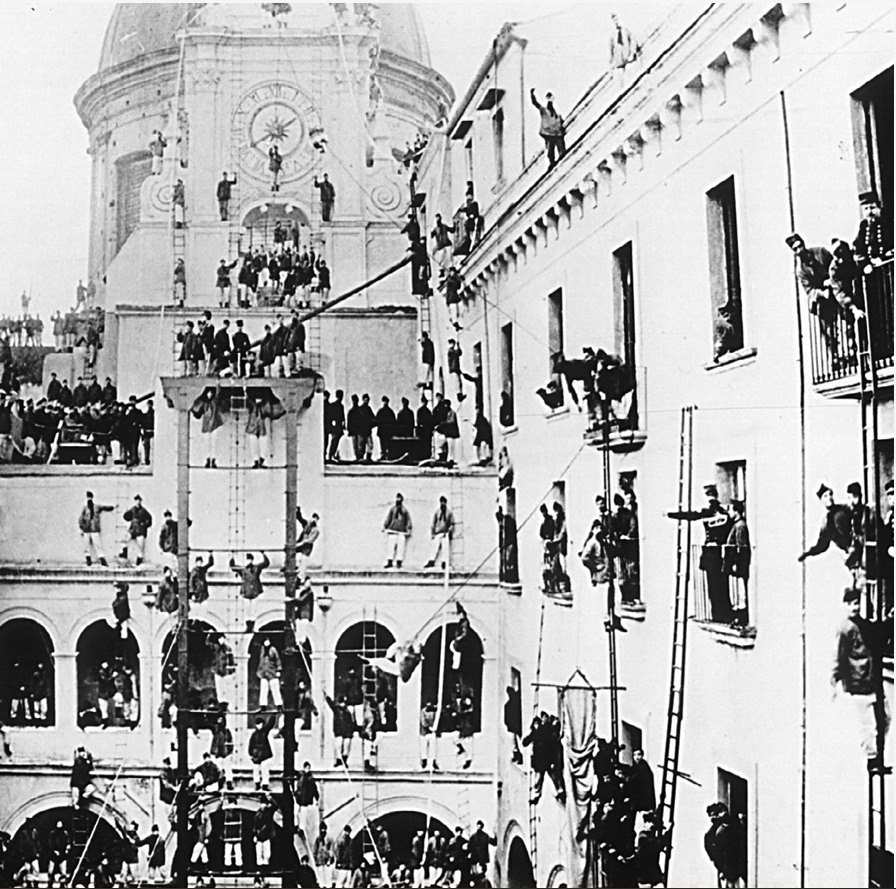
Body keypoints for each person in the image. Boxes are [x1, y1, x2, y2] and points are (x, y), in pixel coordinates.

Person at [833, 586, 892, 772]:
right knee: (869, 725)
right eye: (850, 603)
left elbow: (878, 634)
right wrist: (836, 680)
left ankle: (877, 757)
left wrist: (890, 619)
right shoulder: (845, 629)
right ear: (844, 605)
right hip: (859, 683)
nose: (854, 607)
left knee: (885, 717)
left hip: (871, 680)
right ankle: (873, 761)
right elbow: (838, 655)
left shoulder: (863, 624)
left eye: (857, 602)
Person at [667, 484, 732, 623]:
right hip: (720, 554)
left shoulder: (709, 512)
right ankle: (724, 613)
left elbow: (691, 516)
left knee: (714, 588)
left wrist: (671, 514)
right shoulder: (724, 513)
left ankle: (719, 615)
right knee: (721, 586)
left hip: (711, 554)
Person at [798, 483, 855, 569]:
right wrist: (808, 553)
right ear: (821, 500)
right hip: (849, 551)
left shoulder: (845, 509)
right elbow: (822, 545)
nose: (829, 498)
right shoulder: (827, 523)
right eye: (825, 496)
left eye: (830, 494)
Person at [704, 802, 746, 889]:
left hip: (736, 869)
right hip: (727, 870)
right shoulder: (712, 834)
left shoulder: (733, 828)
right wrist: (721, 868)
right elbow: (712, 853)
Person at [723, 500, 752, 627]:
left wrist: (736, 564)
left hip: (738, 566)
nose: (728, 512)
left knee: (740, 593)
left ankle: (741, 619)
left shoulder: (740, 526)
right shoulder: (737, 525)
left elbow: (741, 548)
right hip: (735, 566)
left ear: (736, 511)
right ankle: (738, 618)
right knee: (737, 592)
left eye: (730, 509)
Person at [853, 190, 893, 272]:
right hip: (871, 270)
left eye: (872, 208)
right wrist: (865, 264)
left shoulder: (889, 224)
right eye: (866, 209)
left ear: (879, 208)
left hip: (889, 267)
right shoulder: (863, 226)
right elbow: (858, 249)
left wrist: (882, 259)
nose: (869, 212)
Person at [230, 551, 270, 633]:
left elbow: (266, 563)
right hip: (246, 593)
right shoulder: (243, 570)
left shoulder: (257, 568)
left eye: (250, 559)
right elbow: (233, 567)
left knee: (253, 611)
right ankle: (248, 627)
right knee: (247, 611)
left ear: (252, 560)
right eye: (247, 559)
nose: (249, 561)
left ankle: (252, 626)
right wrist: (232, 556)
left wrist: (263, 554)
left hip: (255, 592)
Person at [530, 89, 566, 169]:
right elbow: (535, 103)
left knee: (561, 147)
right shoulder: (544, 111)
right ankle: (552, 162)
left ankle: (562, 155)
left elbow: (560, 121)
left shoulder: (556, 114)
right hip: (549, 133)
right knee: (550, 150)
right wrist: (532, 95)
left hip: (557, 133)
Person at [79, 490, 113, 567]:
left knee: (98, 544)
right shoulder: (85, 508)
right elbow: (80, 519)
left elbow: (105, 507)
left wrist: (113, 507)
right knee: (86, 545)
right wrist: (82, 527)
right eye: (88, 498)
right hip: (86, 529)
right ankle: (88, 559)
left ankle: (102, 560)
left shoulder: (97, 507)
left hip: (94, 529)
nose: (89, 499)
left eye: (90, 498)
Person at [121, 493, 152, 566]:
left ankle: (139, 560)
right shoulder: (132, 509)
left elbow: (149, 519)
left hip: (140, 530)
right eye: (136, 500)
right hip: (133, 529)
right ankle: (124, 552)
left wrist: (144, 525)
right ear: (135, 501)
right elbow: (127, 518)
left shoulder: (144, 510)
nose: (137, 502)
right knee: (125, 539)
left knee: (141, 547)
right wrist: (125, 513)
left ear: (141, 501)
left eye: (139, 500)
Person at [383, 492, 412, 568]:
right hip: (393, 530)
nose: (398, 500)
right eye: (397, 499)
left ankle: (399, 561)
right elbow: (389, 518)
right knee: (391, 546)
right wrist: (385, 525)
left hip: (401, 531)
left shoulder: (404, 510)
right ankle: (390, 561)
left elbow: (408, 520)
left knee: (401, 547)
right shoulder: (393, 509)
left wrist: (409, 528)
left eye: (399, 499)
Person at [295, 761, 320, 847]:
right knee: (298, 813)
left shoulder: (310, 779)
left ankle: (302, 828)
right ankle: (298, 826)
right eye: (306, 768)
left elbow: (314, 789)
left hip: (305, 800)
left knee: (304, 814)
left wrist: (316, 798)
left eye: (308, 768)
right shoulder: (301, 776)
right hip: (300, 799)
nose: (307, 770)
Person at [249, 717, 274, 790]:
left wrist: (273, 716)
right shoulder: (254, 734)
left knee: (265, 768)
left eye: (260, 724)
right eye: (257, 724)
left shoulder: (265, 731)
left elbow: (270, 724)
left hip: (264, 753)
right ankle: (257, 784)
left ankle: (265, 784)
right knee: (256, 769)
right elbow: (251, 744)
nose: (259, 726)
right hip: (256, 753)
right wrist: (251, 753)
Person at [258, 638, 283, 711]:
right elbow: (261, 661)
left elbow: (277, 660)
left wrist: (278, 670)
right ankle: (263, 706)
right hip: (264, 673)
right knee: (263, 690)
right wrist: (260, 671)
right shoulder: (262, 650)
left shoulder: (273, 650)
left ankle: (279, 705)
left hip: (272, 673)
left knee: (275, 689)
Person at [297, 508, 321, 579]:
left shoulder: (316, 531)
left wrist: (301, 542)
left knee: (303, 562)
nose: (314, 520)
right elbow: (301, 519)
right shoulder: (307, 525)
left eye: (316, 519)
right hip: (301, 544)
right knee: (292, 553)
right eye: (313, 518)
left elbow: (310, 540)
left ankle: (299, 578)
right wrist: (298, 512)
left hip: (306, 547)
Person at [314, 821, 336, 888]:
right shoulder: (318, 839)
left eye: (324, 829)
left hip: (327, 860)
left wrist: (330, 859)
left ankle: (328, 886)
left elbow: (331, 850)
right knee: (321, 877)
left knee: (327, 876)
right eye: (321, 829)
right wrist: (315, 859)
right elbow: (315, 850)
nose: (323, 831)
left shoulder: (329, 839)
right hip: (320, 860)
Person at [326, 389, 346, 462]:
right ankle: (331, 455)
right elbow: (331, 416)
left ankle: (332, 455)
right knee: (334, 441)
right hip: (336, 426)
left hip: (338, 425)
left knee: (335, 441)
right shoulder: (335, 405)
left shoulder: (340, 405)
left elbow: (342, 416)